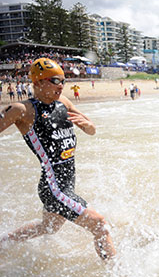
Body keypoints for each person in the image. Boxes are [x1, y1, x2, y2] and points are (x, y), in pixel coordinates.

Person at [0, 58, 116, 260]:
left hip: (67, 182)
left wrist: (88, 126)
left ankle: (4, 242)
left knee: (49, 227)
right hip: (53, 187)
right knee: (100, 225)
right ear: (37, 83)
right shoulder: (23, 110)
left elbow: (92, 129)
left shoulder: (64, 103)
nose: (61, 85)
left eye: (63, 80)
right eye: (54, 80)